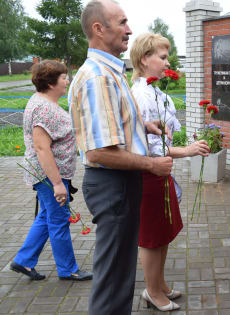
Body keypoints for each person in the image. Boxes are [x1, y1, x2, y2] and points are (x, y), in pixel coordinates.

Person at [69, 1, 173, 314]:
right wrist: (152, 164)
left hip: (118, 184)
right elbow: (100, 151)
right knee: (113, 280)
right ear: (99, 29)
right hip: (114, 183)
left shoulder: (109, 72)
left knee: (120, 273)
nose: (129, 30)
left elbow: (110, 122)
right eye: (122, 22)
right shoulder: (99, 77)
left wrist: (142, 126)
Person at [130, 33, 210, 312]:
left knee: (163, 234)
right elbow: (152, 147)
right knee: (152, 238)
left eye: (168, 57)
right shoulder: (141, 94)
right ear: (144, 59)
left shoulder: (156, 92)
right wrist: (187, 151)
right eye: (162, 57)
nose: (168, 63)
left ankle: (159, 283)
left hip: (160, 173)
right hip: (149, 173)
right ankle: (151, 291)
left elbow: (165, 135)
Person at [10, 60, 92, 282]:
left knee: (48, 216)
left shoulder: (43, 103)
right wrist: (57, 183)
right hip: (49, 176)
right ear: (50, 83)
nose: (67, 81)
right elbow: (41, 147)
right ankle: (68, 269)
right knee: (59, 220)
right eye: (64, 77)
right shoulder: (44, 109)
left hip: (48, 174)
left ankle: (24, 260)